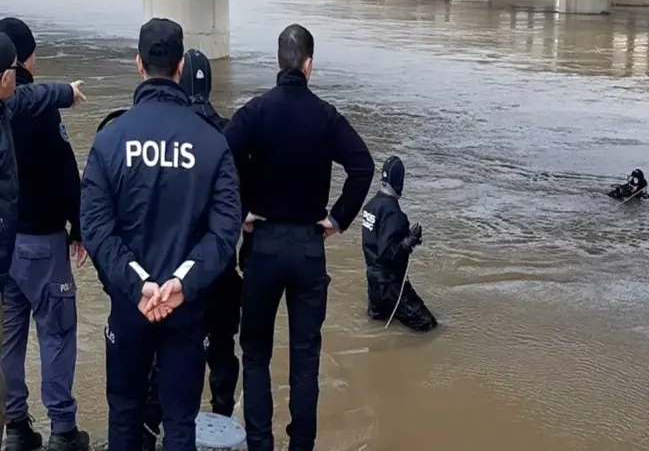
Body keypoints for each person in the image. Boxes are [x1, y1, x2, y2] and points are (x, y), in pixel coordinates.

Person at [79, 18, 241, 451]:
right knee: (180, 424)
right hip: (186, 312)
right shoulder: (212, 143)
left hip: (129, 309)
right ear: (181, 65)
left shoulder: (110, 139)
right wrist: (181, 284)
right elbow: (226, 230)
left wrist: (138, 285)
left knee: (124, 416)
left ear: (138, 63)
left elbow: (95, 228)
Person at [225, 23, 374, 451]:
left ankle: (259, 444)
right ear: (309, 65)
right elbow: (363, 166)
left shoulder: (254, 112)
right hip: (309, 248)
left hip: (263, 246)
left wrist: (240, 210)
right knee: (305, 359)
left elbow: (219, 155)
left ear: (279, 62)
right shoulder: (325, 116)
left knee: (255, 355)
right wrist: (337, 219)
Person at [140, 48, 243, 451]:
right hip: (219, 268)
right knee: (223, 349)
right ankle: (222, 417)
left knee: (164, 356)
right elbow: (238, 206)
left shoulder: (168, 134)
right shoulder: (228, 134)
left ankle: (152, 428)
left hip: (172, 270)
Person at [0, 17, 89, 451]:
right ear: (22, 60)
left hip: (5, 246)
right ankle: (62, 429)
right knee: (56, 331)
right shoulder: (36, 110)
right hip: (42, 243)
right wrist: (79, 228)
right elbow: (66, 175)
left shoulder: (8, 105)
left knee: (9, 337)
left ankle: (15, 426)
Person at [361, 156, 437, 332]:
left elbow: (376, 245)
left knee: (376, 325)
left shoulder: (371, 206)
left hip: (373, 284)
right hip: (391, 285)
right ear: (399, 181)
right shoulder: (393, 212)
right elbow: (387, 253)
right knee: (428, 325)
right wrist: (410, 241)